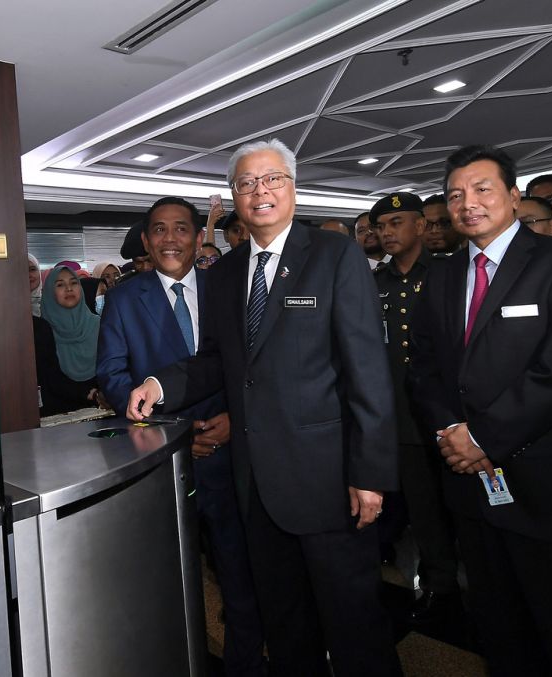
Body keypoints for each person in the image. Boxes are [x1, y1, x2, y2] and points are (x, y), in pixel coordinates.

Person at [126, 139, 401, 677]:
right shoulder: (226, 274)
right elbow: (215, 362)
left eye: (272, 179)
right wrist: (160, 384)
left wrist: (370, 473)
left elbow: (368, 370)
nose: (261, 191)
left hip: (328, 481)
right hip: (256, 484)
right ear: (234, 197)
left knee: (354, 625)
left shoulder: (334, 255)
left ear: (293, 188)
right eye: (248, 183)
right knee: (285, 623)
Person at [408, 145, 552, 676]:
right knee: (498, 625)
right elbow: (426, 367)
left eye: (482, 190)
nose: (468, 203)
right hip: (470, 484)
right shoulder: (442, 274)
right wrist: (453, 434)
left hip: (547, 480)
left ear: (513, 195)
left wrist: (482, 438)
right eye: (456, 194)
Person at [97, 196, 265, 677]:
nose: (171, 239)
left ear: (198, 237)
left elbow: (252, 367)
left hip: (231, 451)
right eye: (160, 230)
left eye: (181, 229)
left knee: (240, 571)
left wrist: (234, 415)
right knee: (168, 573)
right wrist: (169, 433)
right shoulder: (126, 298)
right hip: (161, 460)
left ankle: (245, 664)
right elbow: (111, 374)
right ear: (147, 241)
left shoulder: (230, 288)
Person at [371, 192, 461, 623]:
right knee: (424, 511)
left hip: (453, 413)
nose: (387, 233)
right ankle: (440, 586)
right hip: (403, 419)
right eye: (381, 226)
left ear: (421, 226)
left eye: (397, 223)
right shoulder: (373, 284)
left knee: (468, 506)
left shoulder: (449, 273)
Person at [34, 265, 103, 416]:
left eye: (74, 283)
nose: (69, 289)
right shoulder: (41, 330)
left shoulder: (98, 325)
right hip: (59, 417)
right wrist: (90, 394)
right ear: (50, 293)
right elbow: (50, 379)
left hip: (102, 412)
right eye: (60, 285)